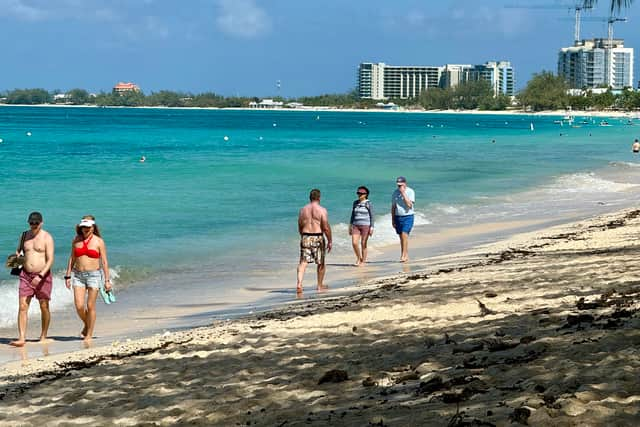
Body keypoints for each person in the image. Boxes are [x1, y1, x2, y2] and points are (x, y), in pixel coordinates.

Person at [10, 212, 55, 347]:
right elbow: (19, 251)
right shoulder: (24, 236)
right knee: (23, 306)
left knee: (44, 306)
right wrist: (16, 258)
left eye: (36, 223)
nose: (34, 225)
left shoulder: (47, 237)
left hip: (43, 276)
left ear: (41, 223)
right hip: (25, 275)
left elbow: (50, 259)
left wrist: (40, 275)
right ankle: (22, 338)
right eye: (31, 223)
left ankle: (43, 335)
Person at [64, 215, 112, 341]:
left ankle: (89, 334)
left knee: (90, 306)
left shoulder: (99, 241)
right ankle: (87, 324)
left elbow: (105, 262)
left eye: (88, 227)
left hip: (94, 276)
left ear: (93, 227)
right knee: (79, 306)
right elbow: (72, 258)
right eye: (83, 227)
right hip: (78, 275)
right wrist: (67, 275)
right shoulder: (76, 240)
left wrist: (107, 280)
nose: (86, 229)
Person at [296, 189, 332, 294]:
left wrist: (302, 235)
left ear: (310, 197)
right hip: (317, 237)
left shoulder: (303, 210)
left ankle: (299, 283)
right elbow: (325, 227)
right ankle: (319, 286)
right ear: (319, 198)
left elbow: (300, 224)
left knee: (303, 262)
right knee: (321, 263)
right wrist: (330, 240)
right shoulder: (322, 210)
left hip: (305, 236)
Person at [391, 176, 415, 262]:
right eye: (398, 185)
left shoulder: (410, 191)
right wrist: (393, 219)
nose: (399, 187)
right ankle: (405, 254)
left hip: (408, 216)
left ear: (405, 184)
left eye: (401, 185)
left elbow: (409, 205)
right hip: (398, 216)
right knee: (401, 237)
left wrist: (403, 193)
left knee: (405, 234)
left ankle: (403, 255)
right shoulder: (395, 193)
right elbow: (393, 207)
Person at [349, 186, 374, 266]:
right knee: (354, 243)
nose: (359, 195)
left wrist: (372, 227)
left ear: (365, 194)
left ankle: (363, 261)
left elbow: (372, 216)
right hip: (355, 225)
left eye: (361, 193)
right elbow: (352, 215)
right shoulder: (355, 203)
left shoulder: (368, 203)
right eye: (358, 193)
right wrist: (350, 225)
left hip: (366, 226)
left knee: (363, 243)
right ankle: (359, 258)